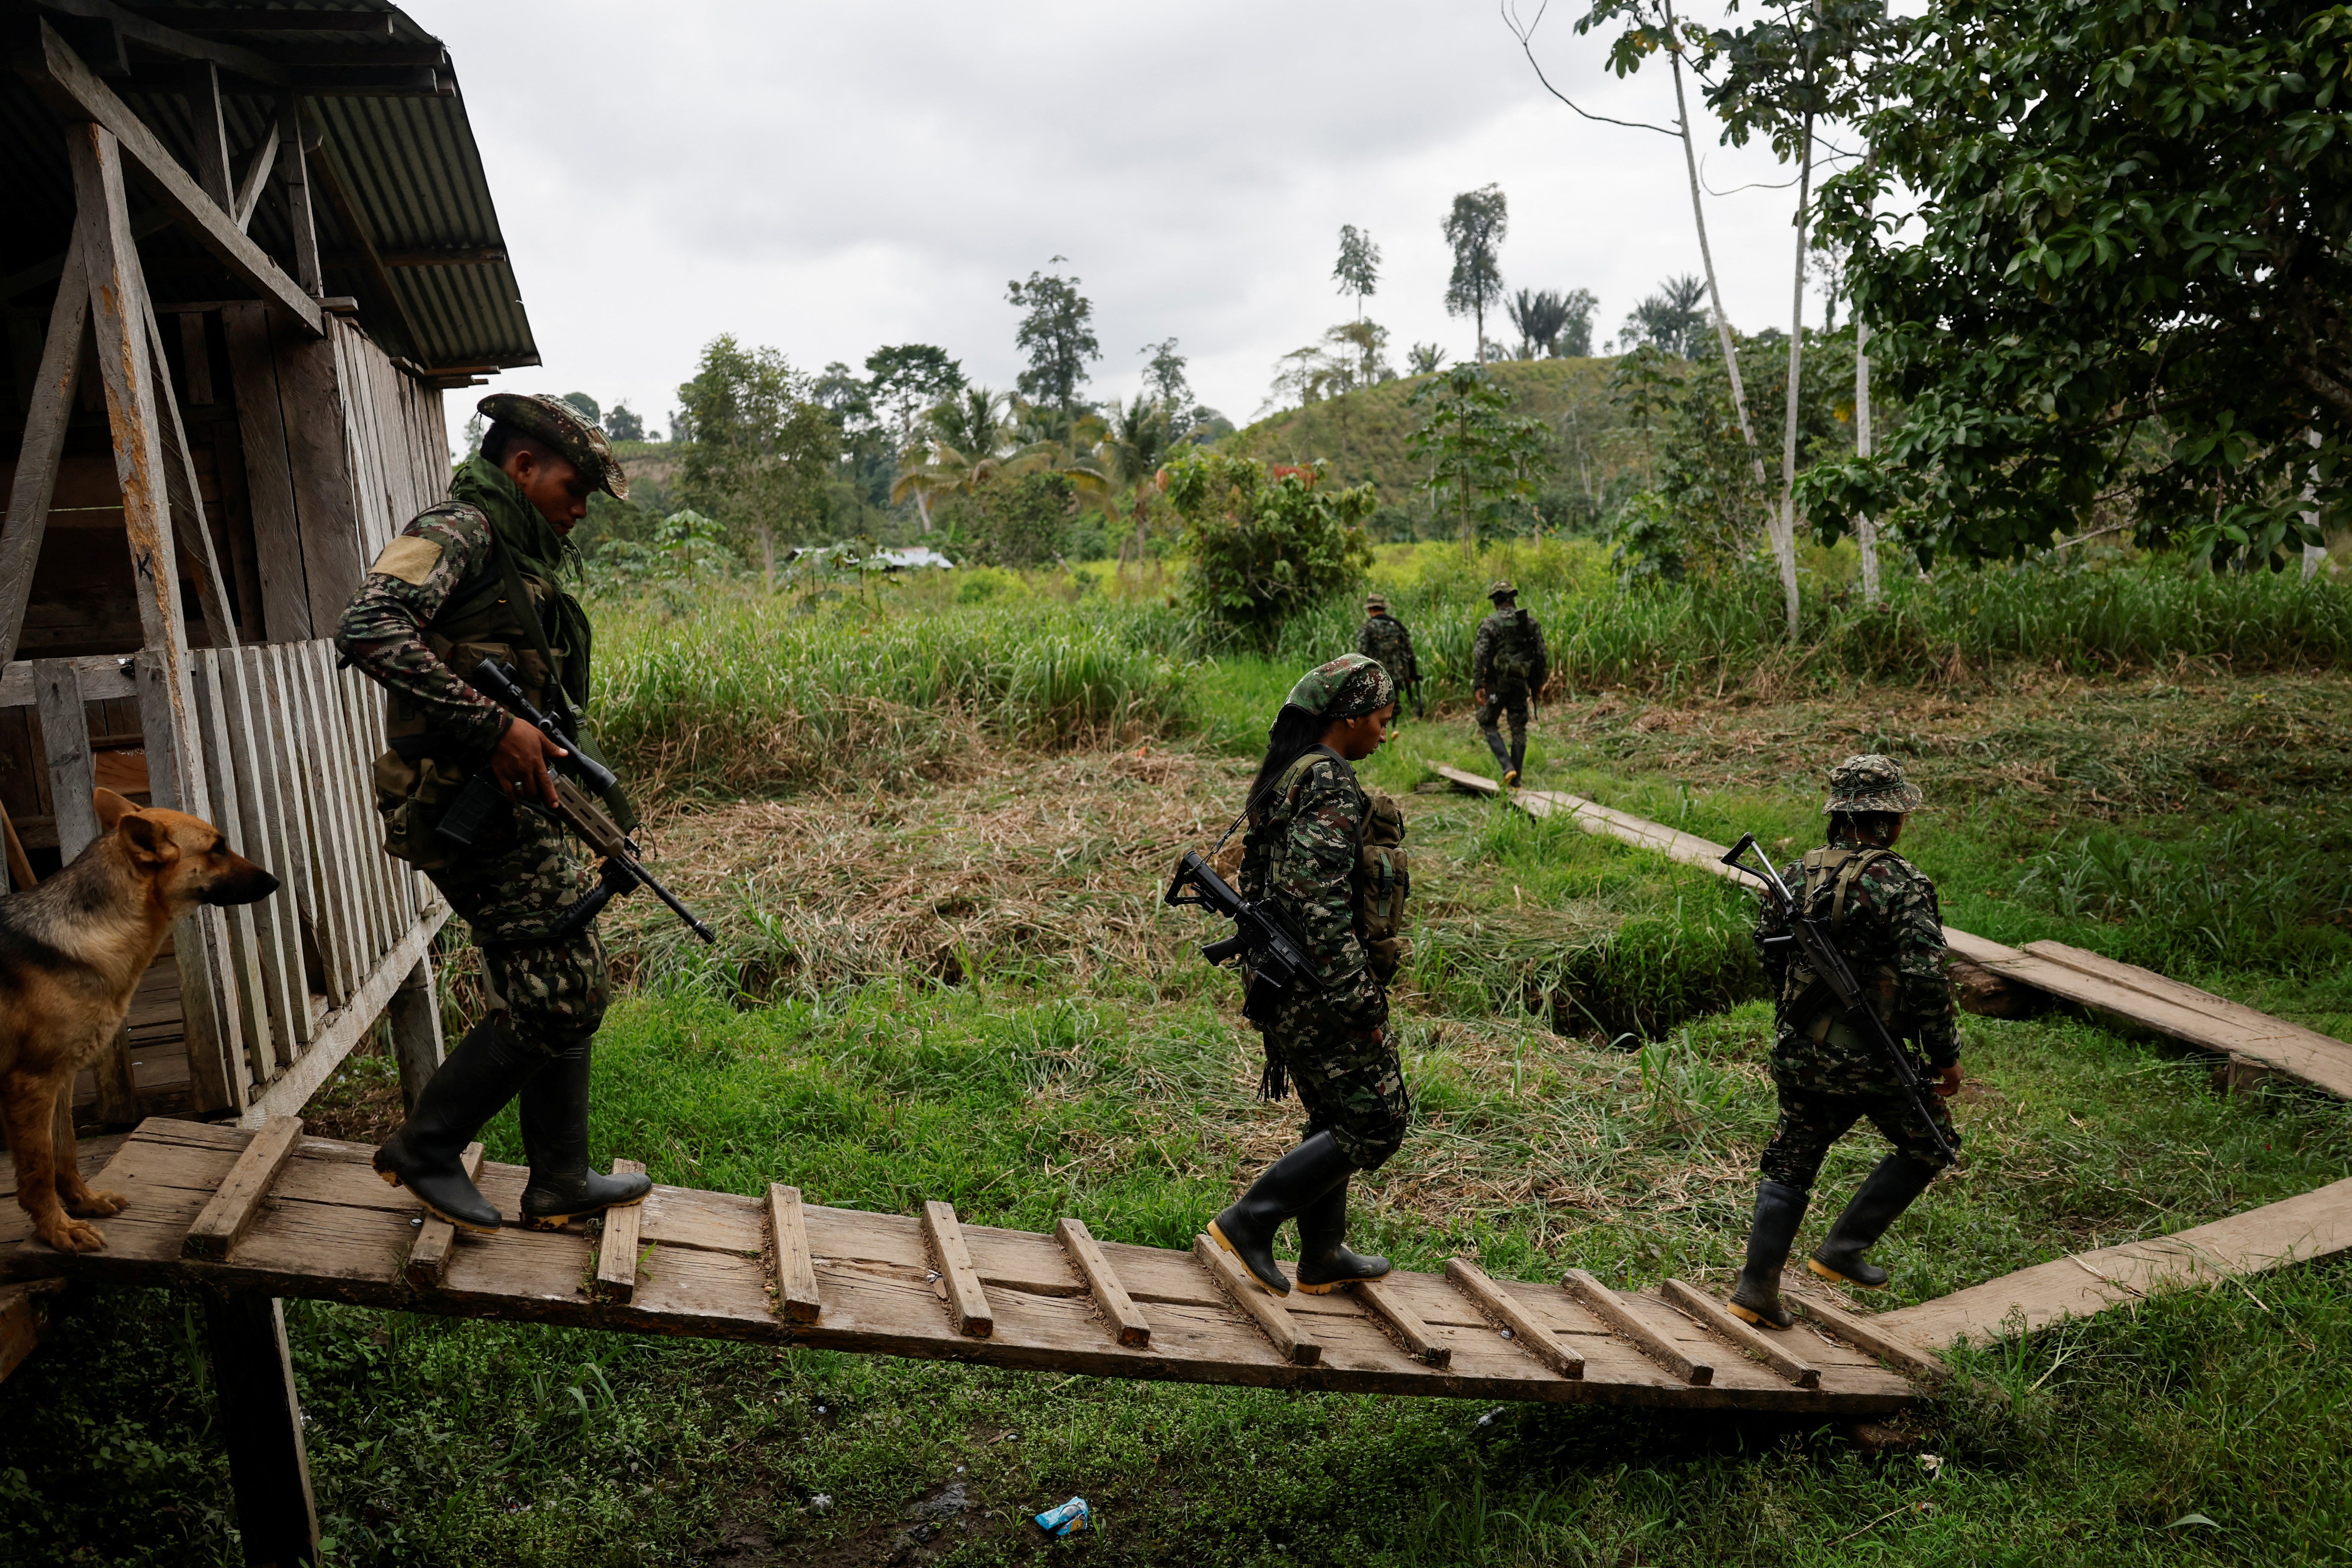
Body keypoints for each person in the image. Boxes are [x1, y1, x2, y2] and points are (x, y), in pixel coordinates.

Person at [335, 393, 652, 1236]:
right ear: (521, 466)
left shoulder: (516, 549)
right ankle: (427, 1146)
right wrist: (492, 723)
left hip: (515, 800)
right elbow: (367, 626)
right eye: (572, 489)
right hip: (460, 802)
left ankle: (559, 1177)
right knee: (558, 995)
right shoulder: (461, 529)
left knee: (568, 979)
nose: (580, 510)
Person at [1729, 754, 1965, 1329]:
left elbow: (1769, 956)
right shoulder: (1903, 883)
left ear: (1838, 815)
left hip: (1801, 1050)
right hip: (1874, 1058)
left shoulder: (1793, 874)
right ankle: (1841, 1249)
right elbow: (1927, 976)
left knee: (1791, 1161)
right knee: (1932, 1144)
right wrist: (1945, 1055)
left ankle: (1755, 1288)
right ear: (1891, 819)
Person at [1209, 653, 1412, 1297]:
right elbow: (1316, 901)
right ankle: (1250, 1220)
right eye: (1381, 720)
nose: (1386, 731)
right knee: (1377, 1118)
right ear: (1348, 718)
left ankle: (1322, 1253)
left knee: (1333, 1111)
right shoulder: (1326, 779)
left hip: (1288, 975)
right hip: (1316, 980)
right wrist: (1361, 999)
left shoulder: (1295, 770)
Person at [1471, 579, 1546, 787]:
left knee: (1487, 721)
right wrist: (1539, 683)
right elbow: (1541, 655)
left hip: (1496, 686)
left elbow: (1480, 656)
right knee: (1519, 729)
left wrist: (1478, 685)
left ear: (1495, 601)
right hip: (1521, 685)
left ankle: (1507, 767)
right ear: (1512, 599)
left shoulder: (1490, 624)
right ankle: (1516, 781)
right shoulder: (1529, 623)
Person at [1356, 595, 1420, 720]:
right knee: (1393, 702)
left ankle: (1384, 728)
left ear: (1370, 610)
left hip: (1377, 673)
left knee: (1378, 704)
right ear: (1383, 608)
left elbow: (1362, 653)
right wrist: (1412, 673)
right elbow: (1410, 652)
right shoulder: (1397, 625)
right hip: (1398, 672)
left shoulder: (1368, 628)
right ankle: (1395, 726)